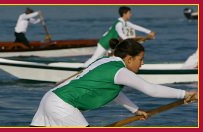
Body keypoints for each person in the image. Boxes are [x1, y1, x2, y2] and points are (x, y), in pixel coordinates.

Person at [30, 39, 196, 127]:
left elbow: (114, 92)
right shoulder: (120, 70)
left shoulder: (105, 61)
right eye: (141, 59)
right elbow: (151, 90)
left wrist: (135, 110)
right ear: (129, 58)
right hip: (63, 105)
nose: (142, 63)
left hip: (49, 99)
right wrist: (184, 94)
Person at [82, 6, 156, 67]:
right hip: (104, 44)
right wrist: (139, 38)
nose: (131, 14)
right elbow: (123, 37)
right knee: (95, 58)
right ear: (124, 14)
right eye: (129, 13)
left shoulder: (124, 22)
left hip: (111, 45)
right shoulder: (119, 24)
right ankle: (82, 69)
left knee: (105, 59)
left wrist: (149, 32)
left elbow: (135, 26)